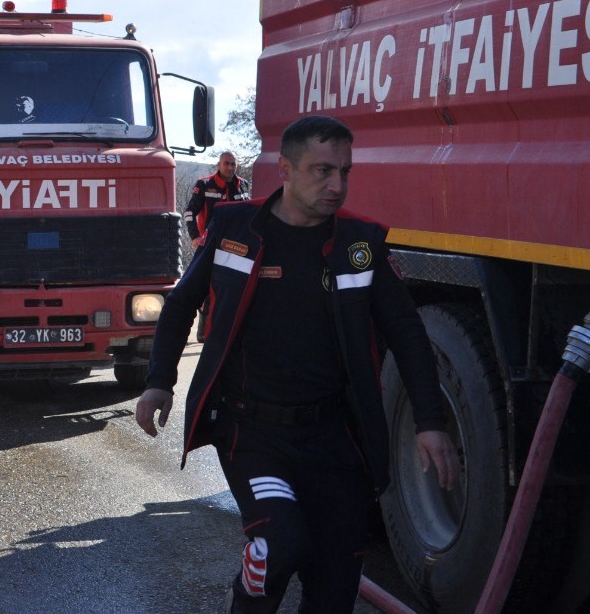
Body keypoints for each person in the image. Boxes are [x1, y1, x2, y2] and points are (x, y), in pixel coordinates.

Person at [134, 115, 457, 614]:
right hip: (253, 435)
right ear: (284, 169)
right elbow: (179, 306)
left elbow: (408, 333)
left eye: (345, 172)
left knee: (334, 586)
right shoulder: (235, 228)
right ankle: (245, 595)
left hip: (334, 439)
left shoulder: (361, 245)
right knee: (280, 544)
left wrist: (431, 422)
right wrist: (159, 381)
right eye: (322, 171)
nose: (337, 185)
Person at [184, 150, 251, 249]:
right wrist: (195, 237)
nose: (230, 167)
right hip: (210, 243)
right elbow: (189, 212)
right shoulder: (204, 184)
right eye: (226, 163)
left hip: (236, 243)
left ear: (237, 166)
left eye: (233, 164)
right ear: (219, 165)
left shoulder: (243, 184)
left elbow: (248, 212)